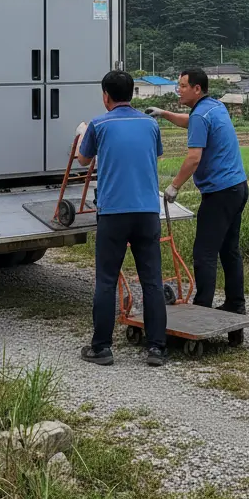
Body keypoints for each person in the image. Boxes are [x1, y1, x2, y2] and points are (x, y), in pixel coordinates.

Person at [75, 69, 168, 367]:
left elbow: (83, 160)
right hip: (147, 212)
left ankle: (101, 348)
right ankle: (156, 348)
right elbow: (155, 154)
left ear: (106, 96)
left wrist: (80, 135)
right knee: (152, 280)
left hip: (114, 213)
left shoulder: (99, 125)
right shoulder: (151, 124)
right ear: (131, 94)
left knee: (106, 280)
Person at [147, 69, 249, 327]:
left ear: (197, 89)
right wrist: (164, 114)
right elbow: (190, 120)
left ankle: (202, 308)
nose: (178, 89)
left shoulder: (202, 114)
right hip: (237, 187)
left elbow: (194, 157)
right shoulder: (213, 107)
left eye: (182, 85)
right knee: (229, 250)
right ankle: (236, 305)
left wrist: (174, 187)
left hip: (219, 193)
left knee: (204, 252)